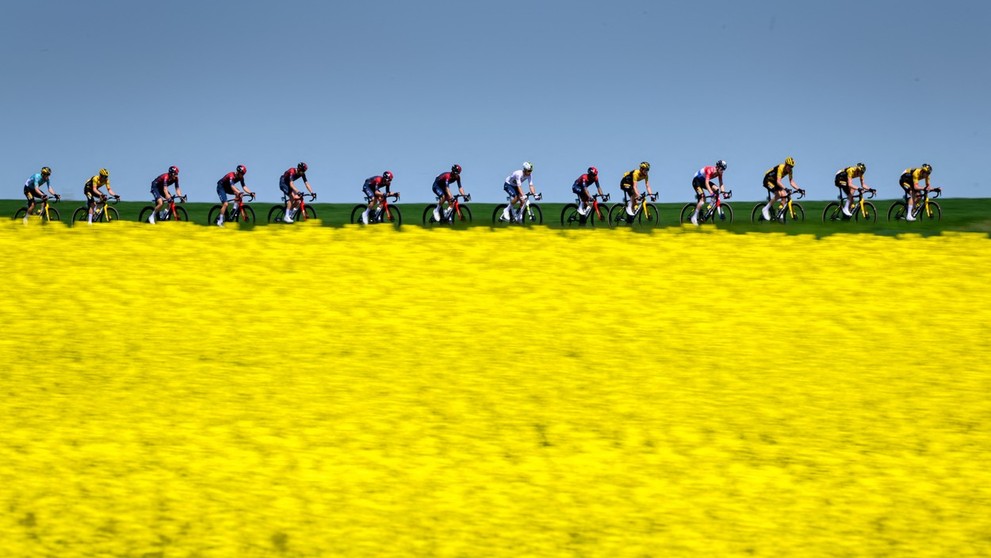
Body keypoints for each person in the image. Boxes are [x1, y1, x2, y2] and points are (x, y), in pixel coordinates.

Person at [761, 157, 804, 221]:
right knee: (778, 194)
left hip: (774, 182)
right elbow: (778, 181)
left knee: (784, 195)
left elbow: (791, 182)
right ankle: (765, 209)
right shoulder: (781, 167)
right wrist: (786, 188)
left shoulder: (790, 171)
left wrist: (799, 189)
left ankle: (780, 214)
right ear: (786, 164)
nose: (790, 168)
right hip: (768, 180)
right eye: (789, 166)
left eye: (792, 167)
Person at [690, 160, 728, 225]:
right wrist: (711, 193)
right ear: (718, 167)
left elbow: (721, 183)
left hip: (703, 181)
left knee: (716, 189)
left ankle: (710, 207)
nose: (722, 171)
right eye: (721, 169)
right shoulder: (710, 170)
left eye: (723, 170)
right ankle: (694, 217)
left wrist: (724, 193)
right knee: (702, 199)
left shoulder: (720, 173)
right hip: (696, 181)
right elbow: (707, 183)